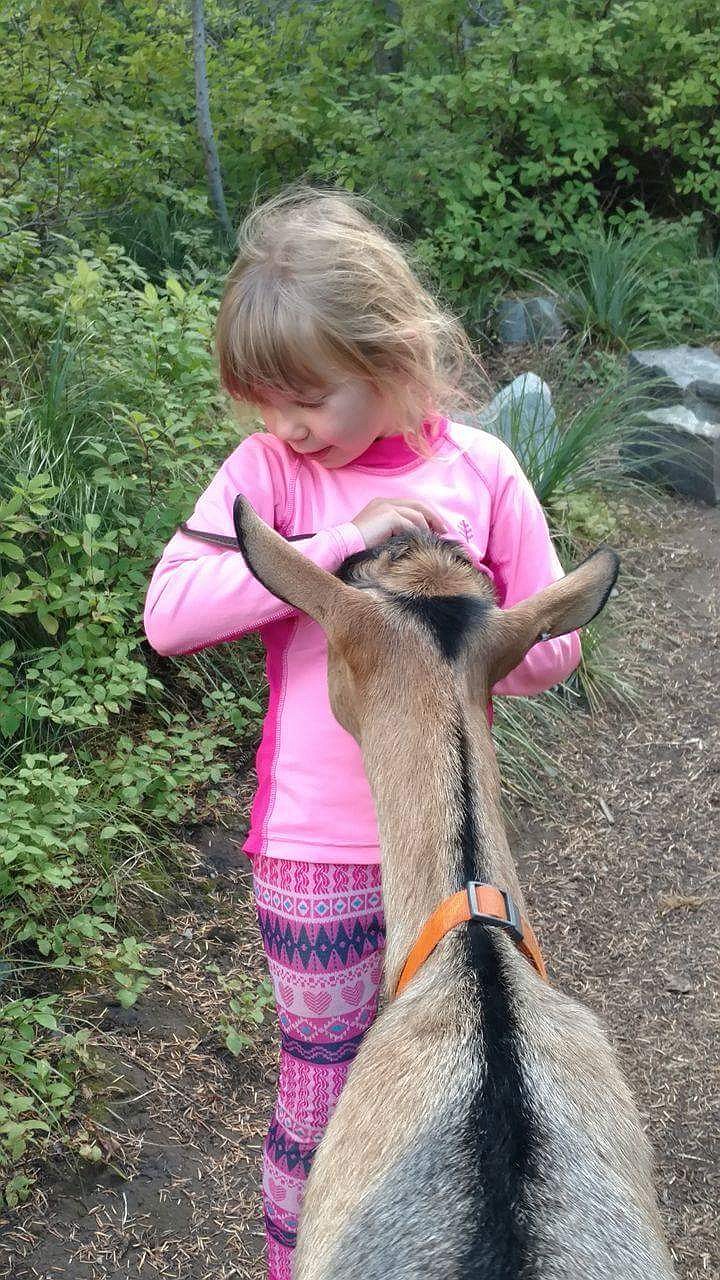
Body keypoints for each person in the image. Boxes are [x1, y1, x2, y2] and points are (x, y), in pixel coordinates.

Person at [143, 186, 581, 1280]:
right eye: (263, 400)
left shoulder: (482, 470)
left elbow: (554, 644)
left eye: (307, 397)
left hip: (454, 852)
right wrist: (333, 545)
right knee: (326, 1085)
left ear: (388, 358)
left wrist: (472, 638)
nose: (283, 425)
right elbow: (172, 612)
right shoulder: (271, 478)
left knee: (465, 1081)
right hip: (319, 854)